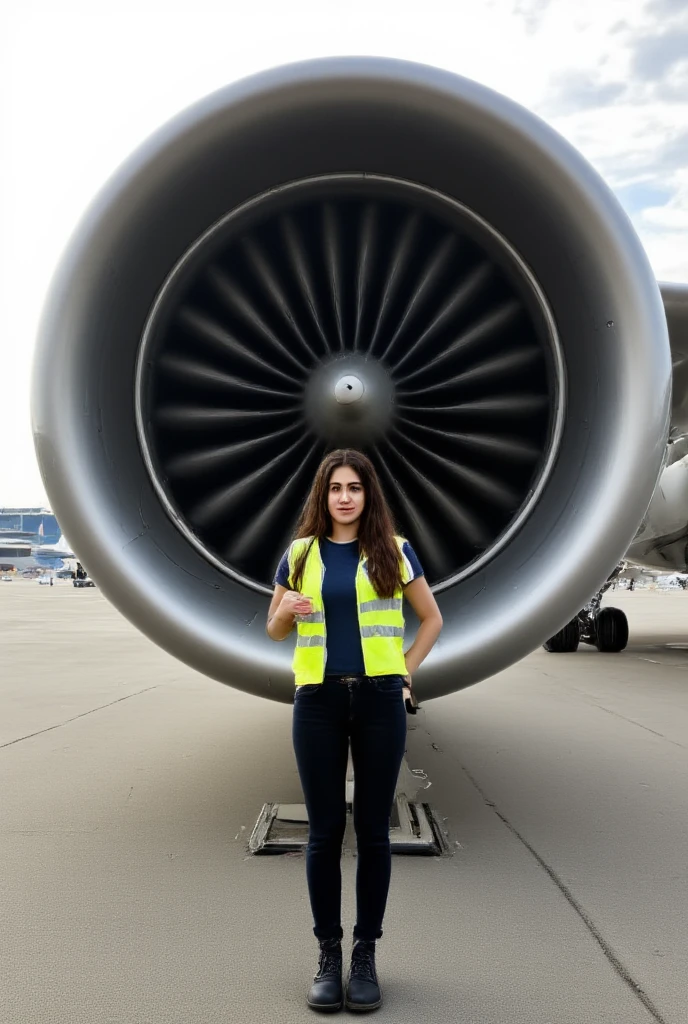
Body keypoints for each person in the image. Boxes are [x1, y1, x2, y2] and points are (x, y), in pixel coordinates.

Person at [267, 449, 442, 1013]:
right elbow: (273, 631)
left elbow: (431, 619)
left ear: (369, 495)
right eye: (335, 488)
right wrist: (287, 611)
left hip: (378, 701)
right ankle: (327, 954)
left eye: (355, 488)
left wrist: (403, 672)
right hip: (316, 701)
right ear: (323, 495)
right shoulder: (299, 554)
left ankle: (365, 954)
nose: (345, 497)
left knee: (371, 832)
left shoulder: (395, 551)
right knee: (322, 832)